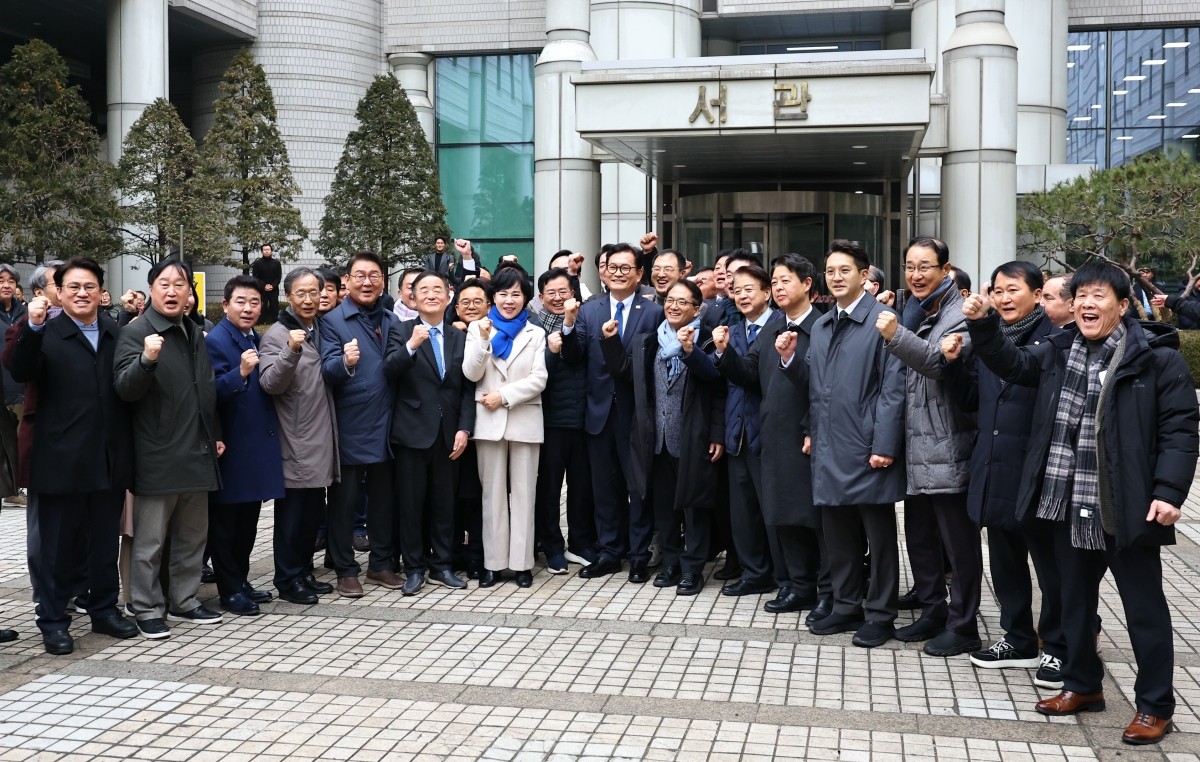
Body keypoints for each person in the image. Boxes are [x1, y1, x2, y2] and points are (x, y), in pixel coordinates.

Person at [962, 259, 1198, 745]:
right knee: (1073, 603)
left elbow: (1180, 430)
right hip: (1065, 502)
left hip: (1126, 505)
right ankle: (1083, 684)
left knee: (1144, 612)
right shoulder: (1058, 348)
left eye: (1099, 296)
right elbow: (1015, 365)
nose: (1087, 304)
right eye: (1081, 297)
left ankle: (1155, 706)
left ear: (1122, 304)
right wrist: (983, 325)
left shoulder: (1155, 357)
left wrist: (1169, 493)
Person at [940, 261, 1067, 688]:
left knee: (1052, 567)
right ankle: (1017, 638)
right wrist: (957, 366)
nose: (1003, 298)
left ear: (1037, 294)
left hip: (1037, 471)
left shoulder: (1056, 340)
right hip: (995, 466)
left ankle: (1059, 645)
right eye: (997, 290)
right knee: (1006, 561)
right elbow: (974, 399)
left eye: (1013, 290)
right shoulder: (989, 339)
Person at [779, 240, 906, 648]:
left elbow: (893, 389)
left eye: (844, 270)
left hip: (867, 445)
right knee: (838, 534)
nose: (836, 277)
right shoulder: (820, 324)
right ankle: (847, 604)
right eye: (831, 271)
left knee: (879, 536)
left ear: (864, 276)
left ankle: (881, 614)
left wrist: (884, 444)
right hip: (830, 445)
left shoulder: (884, 320)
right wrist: (790, 361)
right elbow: (817, 387)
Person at [9, 257, 138, 653]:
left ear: (102, 292)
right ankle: (52, 620)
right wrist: (31, 326)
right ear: (58, 293)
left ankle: (103, 610)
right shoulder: (41, 331)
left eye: (89, 287)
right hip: (58, 458)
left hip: (107, 457)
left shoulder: (116, 333)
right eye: (73, 287)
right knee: (55, 547)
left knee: (102, 541)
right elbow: (19, 368)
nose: (82, 294)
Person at [874, 236, 982, 657]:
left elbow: (938, 364)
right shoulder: (920, 306)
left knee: (958, 544)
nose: (916, 275)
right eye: (910, 267)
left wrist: (895, 332)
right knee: (918, 536)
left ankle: (964, 623)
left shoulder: (960, 313)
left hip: (948, 444)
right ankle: (933, 609)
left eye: (925, 267)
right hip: (917, 447)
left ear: (946, 269)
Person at [716, 254, 830, 619]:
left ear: (808, 284)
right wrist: (722, 353)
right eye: (776, 281)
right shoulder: (772, 328)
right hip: (773, 437)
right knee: (785, 515)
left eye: (785, 281)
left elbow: (827, 388)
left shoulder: (823, 327)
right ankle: (798, 587)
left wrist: (812, 427)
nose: (779, 288)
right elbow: (750, 372)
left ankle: (828, 590)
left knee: (818, 520)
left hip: (810, 438)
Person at [114, 259, 224, 639]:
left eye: (181, 284)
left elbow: (205, 391)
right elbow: (124, 389)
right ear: (150, 289)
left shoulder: (194, 331)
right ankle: (146, 608)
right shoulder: (136, 333)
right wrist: (147, 360)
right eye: (165, 283)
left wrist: (216, 433)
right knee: (150, 541)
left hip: (197, 448)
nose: (174, 290)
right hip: (157, 453)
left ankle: (185, 600)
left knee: (194, 536)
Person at [602, 279, 725, 595]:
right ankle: (671, 562)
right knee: (665, 507)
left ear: (697, 309)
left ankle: (692, 569)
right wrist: (611, 340)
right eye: (670, 300)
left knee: (694, 507)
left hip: (692, 438)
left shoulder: (709, 342)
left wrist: (689, 350)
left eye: (683, 302)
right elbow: (628, 374)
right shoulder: (650, 342)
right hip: (656, 439)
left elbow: (715, 383)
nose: (673, 306)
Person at [561, 244, 664, 582]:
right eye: (612, 268)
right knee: (604, 488)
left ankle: (638, 555)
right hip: (598, 413)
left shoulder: (654, 313)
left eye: (626, 268)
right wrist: (567, 325)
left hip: (637, 413)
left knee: (639, 488)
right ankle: (609, 552)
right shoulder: (590, 310)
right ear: (603, 273)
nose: (618, 273)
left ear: (639, 274)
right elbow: (574, 355)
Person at [383, 270, 474, 595]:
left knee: (445, 504)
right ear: (413, 297)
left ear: (449, 296)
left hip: (449, 434)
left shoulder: (459, 336)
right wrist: (411, 346)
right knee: (411, 504)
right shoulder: (400, 330)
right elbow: (388, 370)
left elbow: (466, 389)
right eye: (425, 290)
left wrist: (464, 428)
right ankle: (415, 567)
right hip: (411, 433)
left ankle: (443, 565)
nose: (432, 295)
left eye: (438, 289)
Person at [205, 275, 286, 616]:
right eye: (240, 302)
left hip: (255, 445)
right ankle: (229, 590)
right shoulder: (216, 341)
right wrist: (238, 373)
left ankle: (240, 579)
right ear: (225, 305)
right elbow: (209, 392)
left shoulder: (257, 337)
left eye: (255, 302)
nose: (248, 308)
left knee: (248, 523)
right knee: (226, 525)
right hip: (232, 445)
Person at [320, 250, 400, 597]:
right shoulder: (332, 321)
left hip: (387, 424)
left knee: (384, 501)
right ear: (347, 282)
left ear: (383, 281)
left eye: (375, 276)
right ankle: (345, 568)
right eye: (360, 276)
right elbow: (326, 369)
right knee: (344, 503)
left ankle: (380, 564)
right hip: (351, 423)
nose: (368, 282)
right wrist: (345, 362)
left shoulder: (391, 318)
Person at [463, 267, 548, 587]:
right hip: (487, 423)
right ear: (492, 298)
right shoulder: (477, 328)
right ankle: (493, 564)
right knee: (493, 496)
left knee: (524, 495)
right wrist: (484, 340)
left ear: (525, 297)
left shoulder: (535, 333)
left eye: (516, 294)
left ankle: (523, 564)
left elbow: (539, 379)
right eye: (502, 294)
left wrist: (504, 396)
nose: (509, 300)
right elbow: (471, 373)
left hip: (524, 419)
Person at [259, 268, 339, 605]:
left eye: (314, 292)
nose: (308, 299)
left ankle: (303, 571)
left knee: (311, 513)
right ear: (287, 296)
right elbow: (270, 383)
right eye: (300, 293)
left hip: (319, 434)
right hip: (295, 437)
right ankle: (287, 579)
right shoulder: (278, 335)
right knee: (291, 515)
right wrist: (291, 351)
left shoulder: (320, 328)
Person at [698, 264, 778, 598]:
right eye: (737, 289)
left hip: (769, 434)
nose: (742, 295)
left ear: (767, 292)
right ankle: (754, 572)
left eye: (749, 289)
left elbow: (755, 377)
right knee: (742, 511)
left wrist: (724, 353)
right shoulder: (731, 328)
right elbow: (722, 388)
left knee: (772, 510)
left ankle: (785, 575)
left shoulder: (779, 327)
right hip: (737, 434)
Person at [533, 268, 596, 572]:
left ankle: (581, 544)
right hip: (549, 422)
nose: (558, 298)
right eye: (551, 293)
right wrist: (550, 351)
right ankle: (553, 547)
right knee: (548, 490)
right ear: (541, 297)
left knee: (582, 489)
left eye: (563, 292)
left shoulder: (585, 321)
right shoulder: (533, 328)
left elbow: (577, 357)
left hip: (584, 420)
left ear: (573, 293)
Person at [449, 280, 491, 576]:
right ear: (456, 306)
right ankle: (451, 553)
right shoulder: (447, 335)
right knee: (451, 494)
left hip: (487, 427)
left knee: (477, 495)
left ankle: (477, 553)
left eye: (478, 301)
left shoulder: (496, 333)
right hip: (452, 428)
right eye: (466, 301)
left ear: (489, 305)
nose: (472, 306)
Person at [0, 264, 26, 509]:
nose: (6, 285)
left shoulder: (24, 314)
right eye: (1, 280)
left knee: (16, 441)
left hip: (20, 386)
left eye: (11, 281)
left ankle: (13, 489)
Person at [250, 243, 283, 324]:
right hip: (262, 289)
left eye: (268, 250)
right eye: (265, 250)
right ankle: (261, 322)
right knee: (262, 307)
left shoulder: (276, 263)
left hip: (274, 289)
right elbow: (256, 277)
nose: (266, 251)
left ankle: (276, 322)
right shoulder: (257, 263)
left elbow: (278, 277)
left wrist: (273, 286)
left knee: (275, 307)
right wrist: (264, 286)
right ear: (262, 251)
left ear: (271, 251)